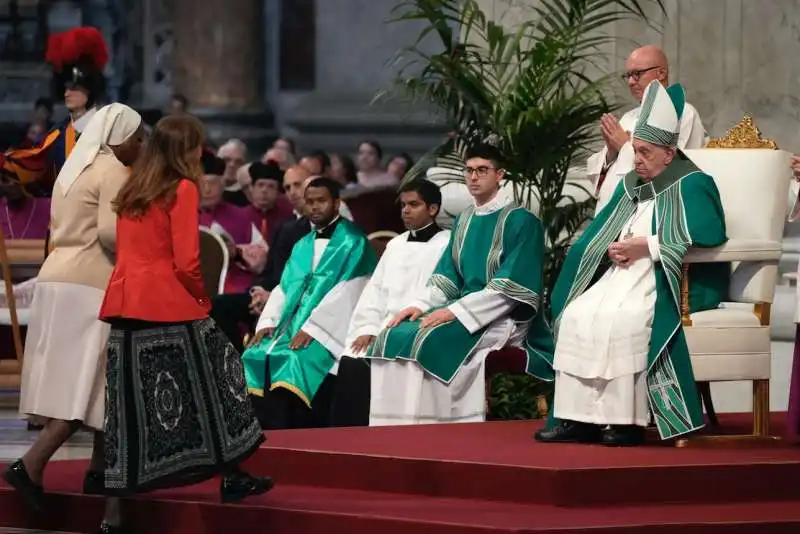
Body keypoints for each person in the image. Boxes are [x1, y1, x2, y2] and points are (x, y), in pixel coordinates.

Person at [535, 81, 728, 446]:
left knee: (622, 321)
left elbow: (711, 233)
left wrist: (648, 247)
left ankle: (625, 422)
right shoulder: (633, 183)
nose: (635, 159)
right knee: (578, 313)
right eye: (635, 151)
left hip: (662, 276)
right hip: (622, 274)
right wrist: (608, 249)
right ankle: (580, 419)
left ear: (669, 154)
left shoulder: (694, 183)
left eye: (644, 152)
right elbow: (603, 229)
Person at [99, 115, 272, 519]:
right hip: (168, 301)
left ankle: (113, 514)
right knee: (221, 377)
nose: (201, 151)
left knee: (126, 407)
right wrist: (201, 301)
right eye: (197, 145)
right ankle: (232, 473)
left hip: (126, 303)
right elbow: (186, 261)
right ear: (185, 150)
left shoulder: (134, 187)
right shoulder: (181, 188)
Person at [1, 104, 143, 521]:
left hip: (57, 278)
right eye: (136, 136)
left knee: (89, 382)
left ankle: (98, 473)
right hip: (91, 281)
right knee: (91, 383)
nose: (139, 144)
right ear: (118, 136)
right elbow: (109, 233)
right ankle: (31, 463)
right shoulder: (113, 167)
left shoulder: (73, 167)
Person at [364, 144, 553, 426]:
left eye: (482, 170)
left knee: (428, 341)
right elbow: (447, 276)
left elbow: (510, 287)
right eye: (469, 171)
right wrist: (417, 306)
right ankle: (395, 427)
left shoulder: (521, 221)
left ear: (500, 174)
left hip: (501, 316)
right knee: (392, 335)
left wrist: (454, 312)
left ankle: (435, 428)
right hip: (462, 310)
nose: (474, 177)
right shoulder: (464, 220)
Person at [243, 177, 377, 429]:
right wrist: (268, 322)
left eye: (322, 201)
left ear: (337, 203)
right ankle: (260, 440)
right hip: (289, 325)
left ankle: (293, 437)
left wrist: (313, 329)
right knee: (255, 353)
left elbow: (350, 291)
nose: (315, 207)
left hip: (330, 330)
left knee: (293, 361)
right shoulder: (302, 243)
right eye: (310, 202)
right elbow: (285, 286)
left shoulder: (353, 241)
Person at [330, 179, 450, 426]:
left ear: (433, 209)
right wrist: (367, 329)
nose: (405, 210)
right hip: (383, 325)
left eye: (414, 204)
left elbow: (443, 289)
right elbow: (374, 293)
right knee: (351, 361)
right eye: (403, 205)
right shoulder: (395, 245)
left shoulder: (447, 244)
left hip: (419, 324)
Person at [587, 45, 706, 213]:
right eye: (627, 75)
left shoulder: (683, 113)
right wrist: (611, 153)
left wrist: (624, 147)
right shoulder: (628, 117)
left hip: (651, 210)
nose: (630, 81)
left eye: (637, 74)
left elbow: (672, 166)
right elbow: (603, 172)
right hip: (611, 208)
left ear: (661, 73)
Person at [209, 165, 313, 352]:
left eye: (297, 185)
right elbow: (270, 271)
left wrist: (271, 296)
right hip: (270, 292)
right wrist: (258, 291)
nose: (293, 192)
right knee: (218, 305)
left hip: (297, 298)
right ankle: (237, 362)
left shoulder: (321, 225)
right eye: (288, 187)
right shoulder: (286, 227)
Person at [0, 27, 108, 194]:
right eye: (67, 87)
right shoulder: (58, 136)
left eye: (76, 86)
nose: (69, 92)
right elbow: (27, 166)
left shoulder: (118, 126)